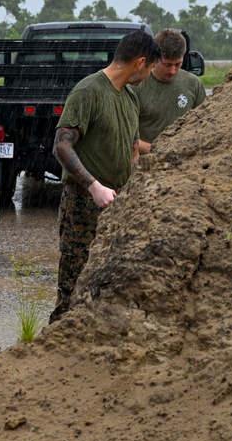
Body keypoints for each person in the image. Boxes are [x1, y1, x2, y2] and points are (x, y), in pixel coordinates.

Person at [50, 29, 161, 323]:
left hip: (117, 206)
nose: (149, 75)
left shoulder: (130, 97)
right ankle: (57, 347)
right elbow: (61, 145)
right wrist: (93, 186)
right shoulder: (89, 92)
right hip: (84, 207)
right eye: (150, 68)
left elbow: (133, 148)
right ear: (140, 62)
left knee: (107, 285)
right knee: (75, 284)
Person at [135, 28, 206, 154]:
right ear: (155, 57)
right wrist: (158, 152)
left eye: (178, 64)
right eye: (167, 65)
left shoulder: (193, 84)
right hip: (147, 163)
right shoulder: (137, 85)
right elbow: (126, 137)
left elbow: (204, 126)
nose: (172, 71)